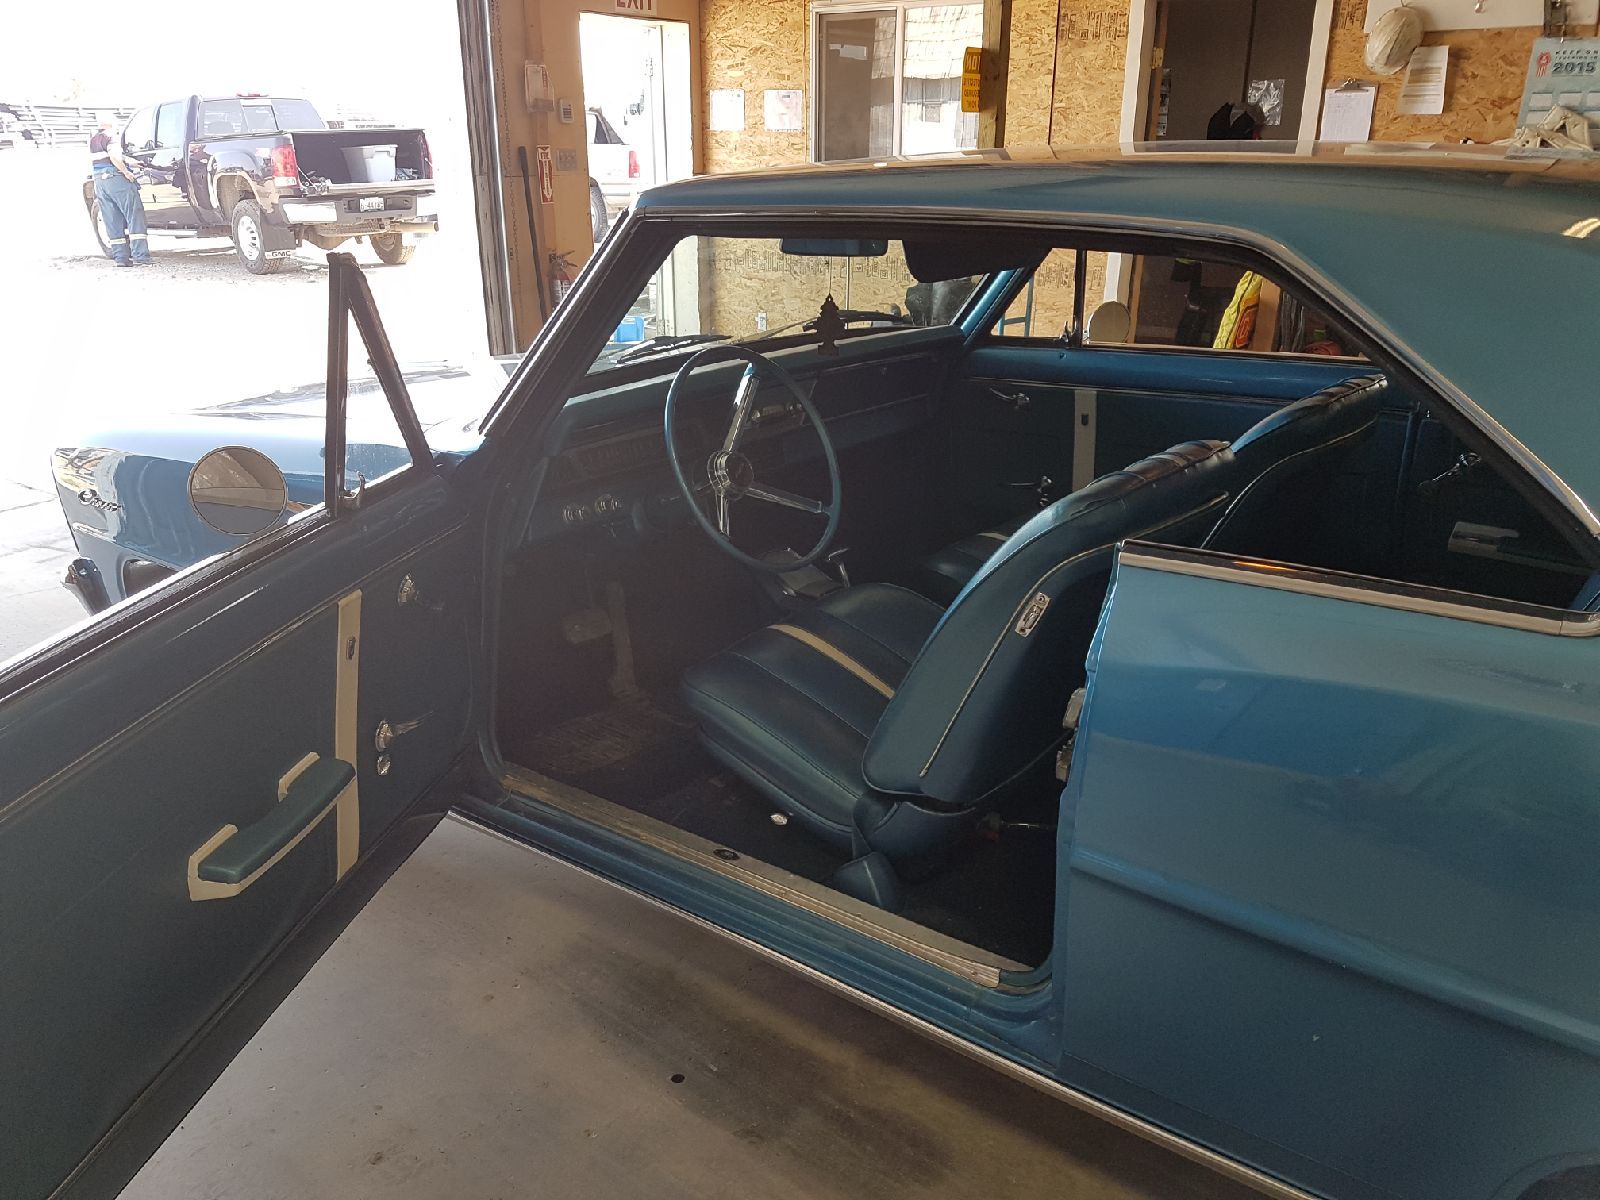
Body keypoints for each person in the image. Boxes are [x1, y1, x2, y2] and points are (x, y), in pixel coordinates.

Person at [90, 118, 151, 267]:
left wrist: (130, 161)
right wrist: (126, 172)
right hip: (115, 178)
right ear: (111, 124)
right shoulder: (111, 136)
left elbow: (110, 156)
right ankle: (140, 257)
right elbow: (114, 157)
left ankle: (121, 258)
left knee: (112, 219)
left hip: (100, 181)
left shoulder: (94, 139)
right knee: (134, 215)